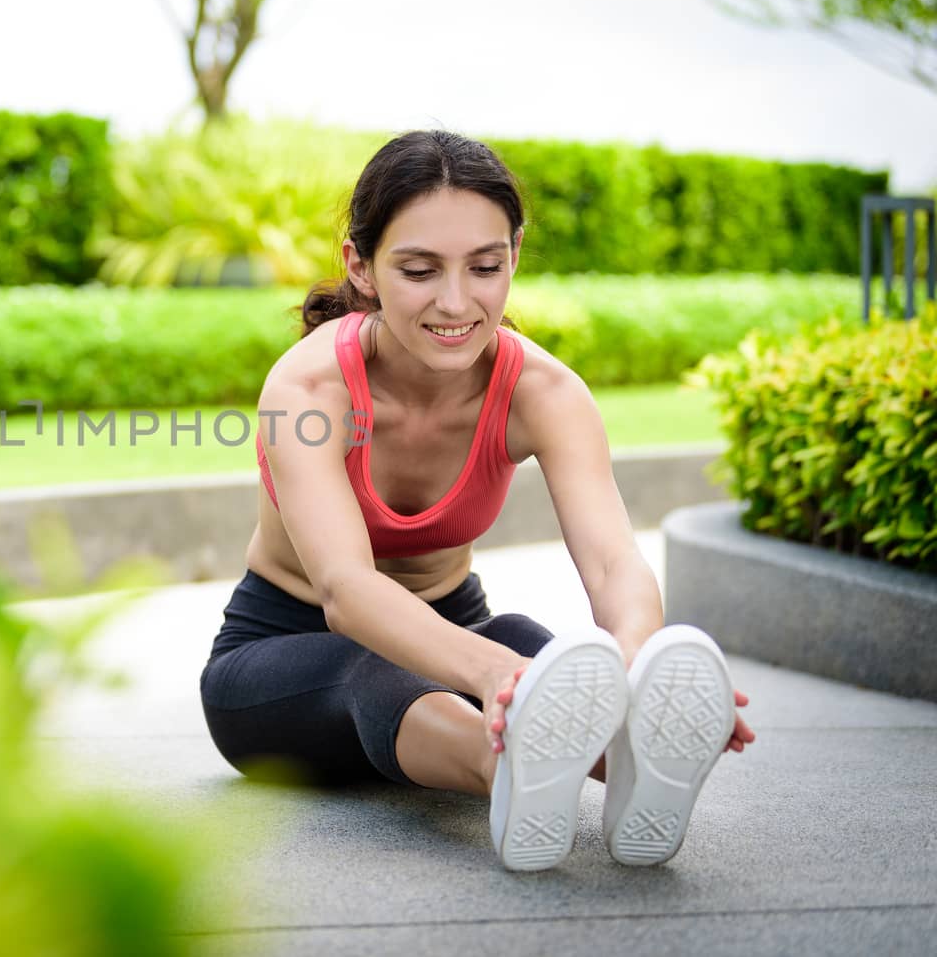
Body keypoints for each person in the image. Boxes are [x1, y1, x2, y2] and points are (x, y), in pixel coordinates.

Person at [198, 129, 756, 871]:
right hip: (281, 662)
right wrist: (497, 678)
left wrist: (633, 674)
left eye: (485, 267)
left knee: (532, 640)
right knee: (383, 665)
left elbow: (616, 563)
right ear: (360, 268)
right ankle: (508, 769)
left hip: (453, 625)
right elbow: (347, 592)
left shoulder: (545, 392)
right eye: (420, 270)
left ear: (514, 256)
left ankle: (633, 761)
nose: (456, 302)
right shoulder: (306, 391)